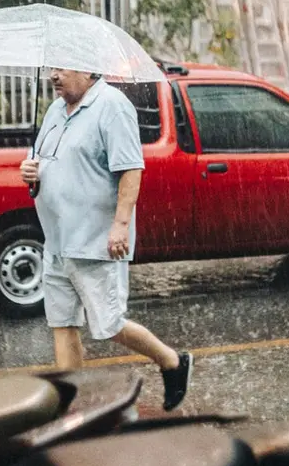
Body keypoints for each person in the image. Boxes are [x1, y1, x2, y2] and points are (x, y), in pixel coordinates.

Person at [20, 67, 192, 412]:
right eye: (51, 68)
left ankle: (173, 361)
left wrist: (120, 225)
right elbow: (49, 163)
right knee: (63, 323)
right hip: (56, 240)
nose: (54, 76)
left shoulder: (112, 106)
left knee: (109, 325)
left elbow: (131, 169)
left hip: (96, 240)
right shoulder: (55, 110)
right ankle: (71, 404)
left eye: (62, 68)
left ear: (87, 68)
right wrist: (31, 171)